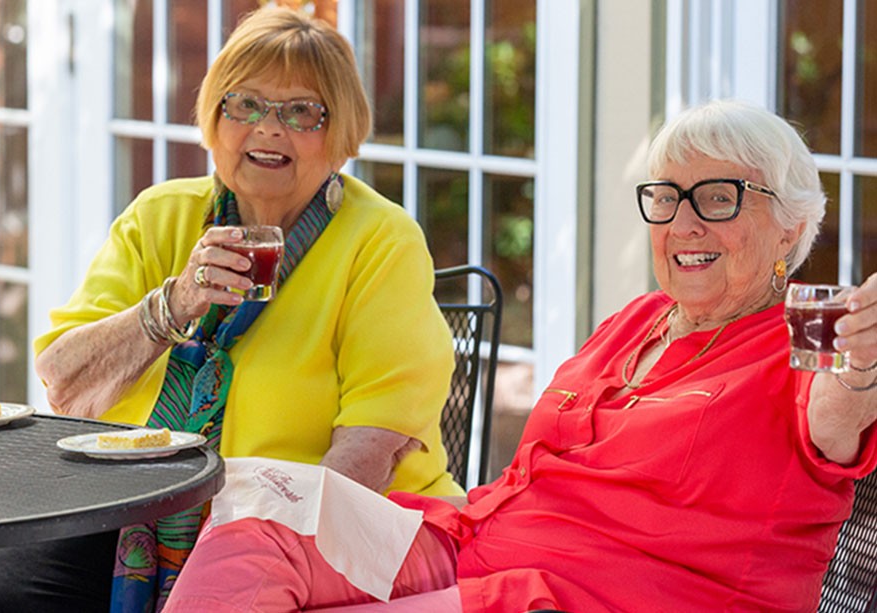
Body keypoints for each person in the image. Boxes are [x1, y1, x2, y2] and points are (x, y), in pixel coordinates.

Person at [163, 98, 877, 613]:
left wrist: (861, 364)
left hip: (596, 594)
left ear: (789, 229)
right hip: (477, 539)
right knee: (252, 533)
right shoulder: (639, 319)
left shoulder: (806, 338)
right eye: (666, 197)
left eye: (718, 198)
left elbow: (833, 410)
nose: (682, 222)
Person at [0, 7, 463, 613]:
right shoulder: (161, 216)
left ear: (341, 133)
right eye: (244, 105)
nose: (269, 129)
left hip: (324, 527)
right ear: (214, 119)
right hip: (144, 514)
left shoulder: (381, 241)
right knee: (3, 584)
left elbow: (367, 453)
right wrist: (176, 302)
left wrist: (245, 534)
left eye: (302, 112)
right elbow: (67, 386)